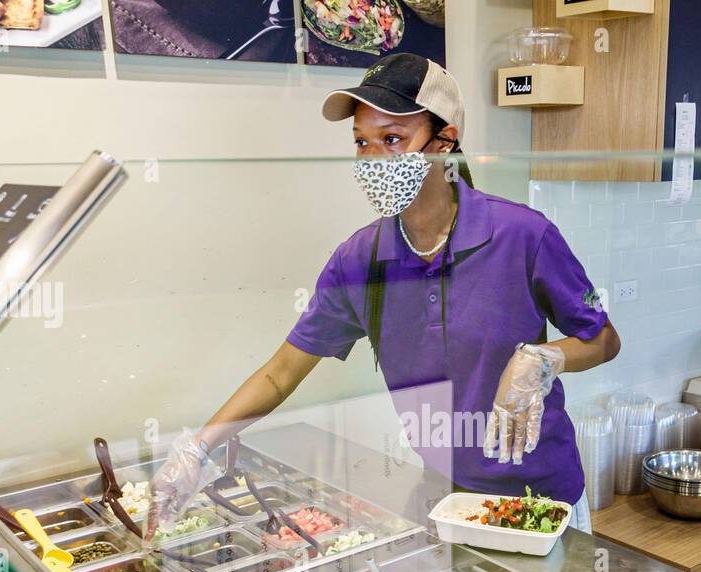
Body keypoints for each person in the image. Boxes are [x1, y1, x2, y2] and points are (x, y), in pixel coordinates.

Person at [149, 54, 619, 536]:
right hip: (443, 495)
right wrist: (198, 448)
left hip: (541, 499)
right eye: (362, 142)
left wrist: (543, 359)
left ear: (444, 142)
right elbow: (279, 374)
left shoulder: (522, 235)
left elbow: (603, 338)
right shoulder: (360, 260)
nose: (373, 159)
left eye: (392, 139)